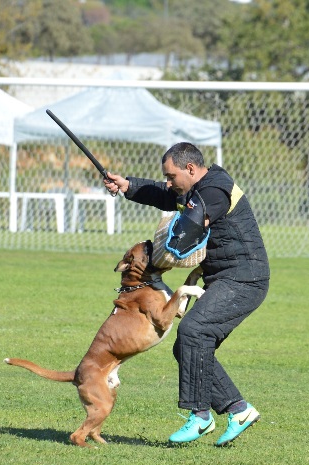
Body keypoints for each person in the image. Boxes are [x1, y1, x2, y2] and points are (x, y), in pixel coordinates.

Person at [104, 142, 270, 446]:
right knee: (188, 346)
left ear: (190, 169)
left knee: (194, 330)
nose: (169, 183)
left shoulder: (214, 190)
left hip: (245, 279)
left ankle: (200, 416)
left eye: (171, 176)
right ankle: (239, 409)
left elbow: (190, 226)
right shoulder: (193, 190)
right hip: (224, 278)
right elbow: (163, 195)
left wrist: (166, 250)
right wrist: (128, 186)